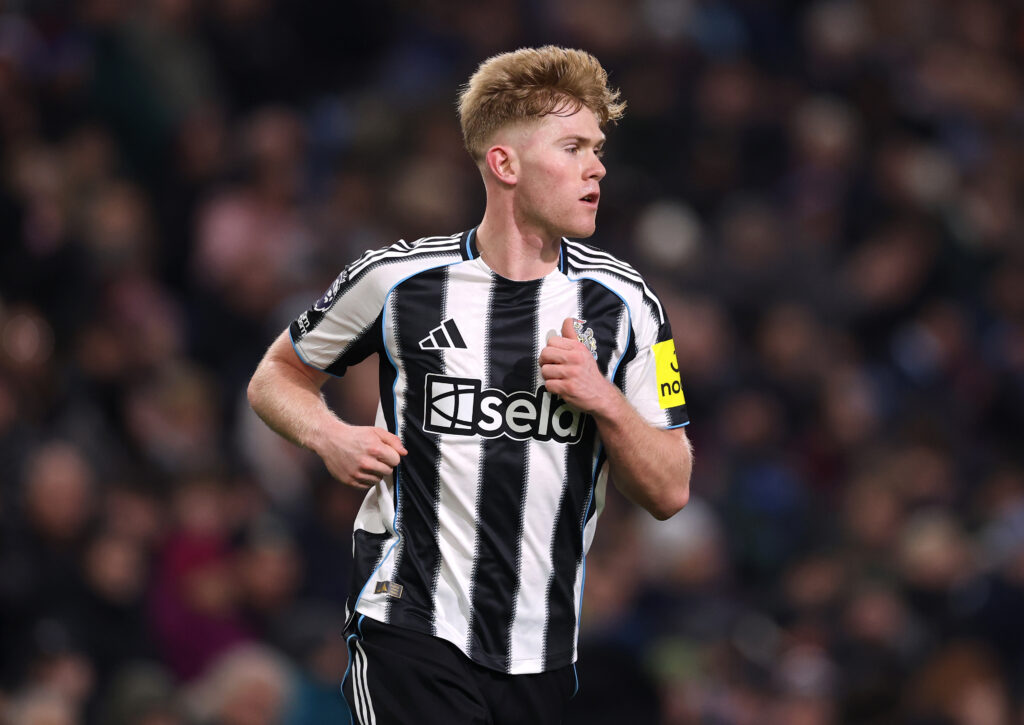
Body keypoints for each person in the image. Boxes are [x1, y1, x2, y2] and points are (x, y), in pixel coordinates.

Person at [247, 45, 693, 725]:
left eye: (597, 147)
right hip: (409, 625)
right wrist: (328, 433)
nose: (597, 166)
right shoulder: (396, 281)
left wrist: (602, 397)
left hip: (540, 651)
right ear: (505, 163)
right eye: (573, 146)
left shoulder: (629, 305)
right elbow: (276, 375)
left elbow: (670, 487)